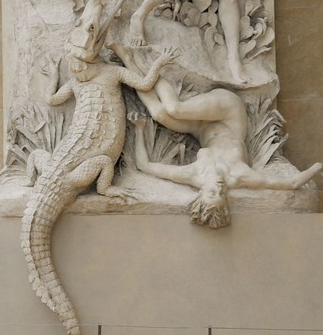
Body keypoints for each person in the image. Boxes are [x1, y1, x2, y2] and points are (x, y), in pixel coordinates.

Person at [125, 58, 320, 227]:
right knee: (172, 110)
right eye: (222, 194)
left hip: (200, 128)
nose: (219, 188)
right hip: (229, 115)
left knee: (162, 112)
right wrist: (318, 166)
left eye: (212, 193)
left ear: (201, 193)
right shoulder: (239, 176)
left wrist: (141, 129)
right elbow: (292, 182)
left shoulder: (194, 174)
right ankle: (144, 64)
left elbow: (145, 166)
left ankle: (131, 62)